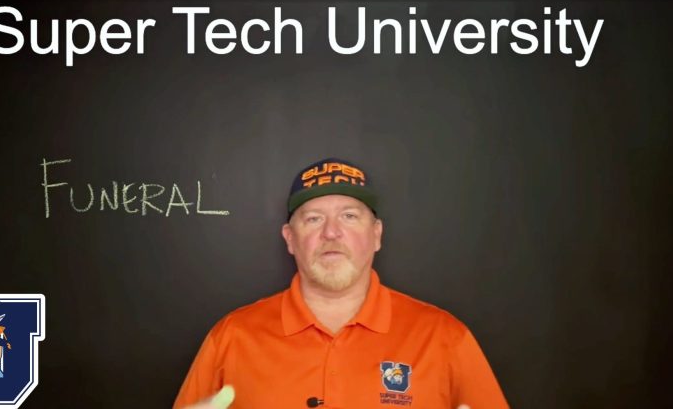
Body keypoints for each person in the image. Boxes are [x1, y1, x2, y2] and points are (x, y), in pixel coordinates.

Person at [174, 158, 508, 408]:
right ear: (290, 239)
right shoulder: (231, 339)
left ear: (376, 234)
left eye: (349, 216)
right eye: (313, 218)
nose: (331, 232)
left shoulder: (444, 338)